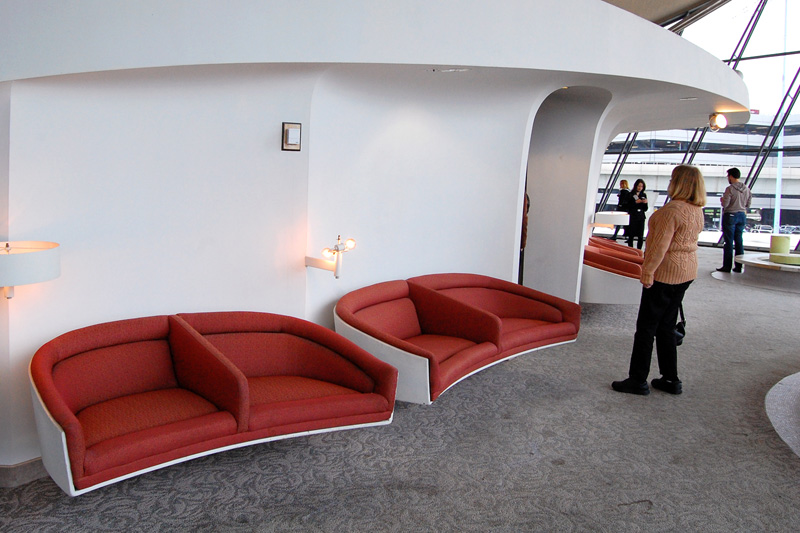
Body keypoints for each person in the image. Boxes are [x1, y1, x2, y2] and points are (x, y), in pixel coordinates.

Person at [612, 165, 706, 396]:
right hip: (687, 272)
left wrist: (647, 272)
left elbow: (658, 248)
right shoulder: (697, 210)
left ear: (678, 183)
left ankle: (637, 380)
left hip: (665, 272)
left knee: (646, 328)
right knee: (666, 326)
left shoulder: (670, 211)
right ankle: (671, 379)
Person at [717, 167, 752, 273]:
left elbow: (725, 204)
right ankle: (738, 266)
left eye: (728, 176)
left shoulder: (730, 189)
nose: (728, 178)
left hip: (730, 215)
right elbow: (748, 204)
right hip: (742, 215)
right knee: (739, 241)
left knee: (728, 242)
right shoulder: (746, 188)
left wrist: (722, 200)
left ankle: (727, 266)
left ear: (731, 176)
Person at [626, 179, 648, 249]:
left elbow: (645, 209)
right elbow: (627, 206)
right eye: (639, 186)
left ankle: (639, 249)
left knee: (640, 235)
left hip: (641, 216)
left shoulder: (643, 195)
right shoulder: (630, 194)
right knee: (631, 234)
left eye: (641, 187)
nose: (640, 188)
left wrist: (645, 203)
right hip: (633, 216)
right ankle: (630, 249)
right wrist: (635, 203)